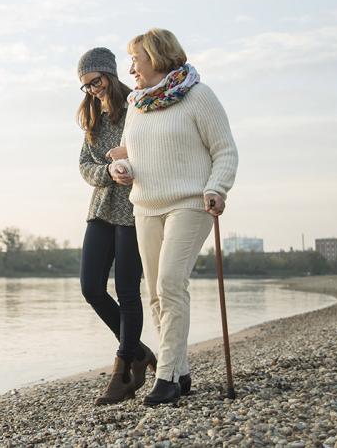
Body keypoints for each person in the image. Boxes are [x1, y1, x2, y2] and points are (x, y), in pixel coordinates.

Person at [108, 28, 238, 406]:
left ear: (157, 57)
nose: (130, 67)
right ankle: (179, 372)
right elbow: (134, 152)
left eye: (136, 58)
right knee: (155, 294)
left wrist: (217, 188)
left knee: (169, 283)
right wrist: (123, 168)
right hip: (146, 205)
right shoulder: (137, 103)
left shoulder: (198, 95)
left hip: (190, 202)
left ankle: (164, 380)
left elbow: (225, 151)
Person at [76, 47, 157, 405]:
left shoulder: (137, 107)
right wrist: (107, 171)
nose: (92, 90)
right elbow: (84, 165)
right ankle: (138, 351)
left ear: (109, 74)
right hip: (101, 208)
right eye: (85, 86)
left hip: (134, 209)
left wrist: (128, 162)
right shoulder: (92, 116)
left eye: (95, 81)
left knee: (127, 290)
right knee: (90, 286)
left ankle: (123, 369)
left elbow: (153, 150)